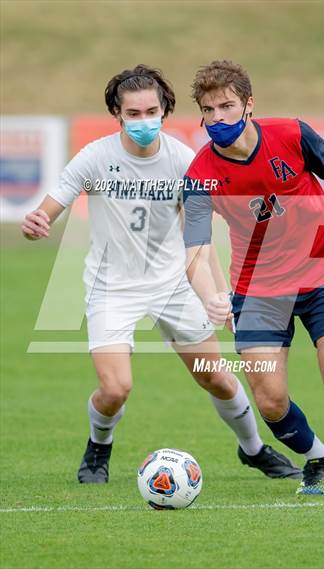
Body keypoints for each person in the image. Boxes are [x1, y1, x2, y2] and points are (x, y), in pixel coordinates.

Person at [21, 64, 302, 485]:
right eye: (132, 114)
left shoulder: (184, 162)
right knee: (115, 389)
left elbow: (199, 240)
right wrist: (37, 222)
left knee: (217, 377)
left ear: (165, 110)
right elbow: (48, 209)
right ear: (117, 114)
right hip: (111, 288)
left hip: (173, 284)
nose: (142, 121)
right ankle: (100, 446)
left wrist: (216, 293)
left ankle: (254, 449)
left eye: (150, 111)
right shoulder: (95, 158)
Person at [183, 60, 324, 495]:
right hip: (256, 287)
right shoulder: (199, 176)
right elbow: (195, 248)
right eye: (209, 110)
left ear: (249, 104)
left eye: (227, 106)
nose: (218, 118)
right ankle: (317, 457)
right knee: (269, 399)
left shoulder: (292, 135)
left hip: (320, 270)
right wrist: (210, 295)